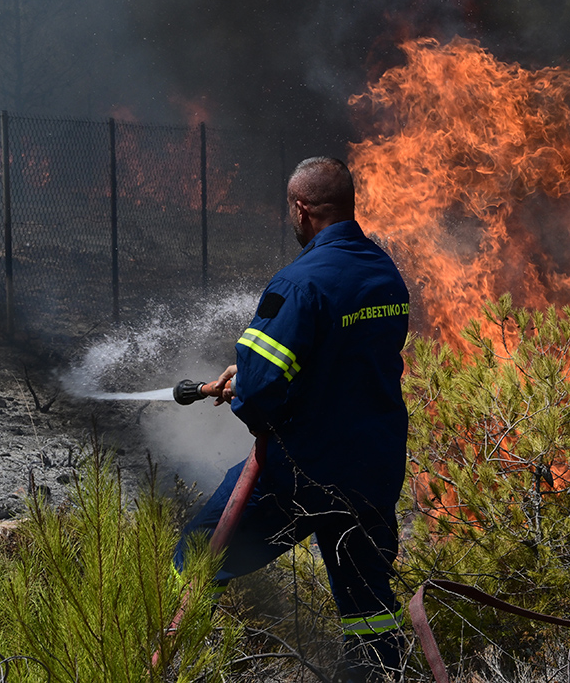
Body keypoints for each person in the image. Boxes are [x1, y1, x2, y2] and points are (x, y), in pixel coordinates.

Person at [174, 156, 411, 683]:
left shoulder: (299, 283)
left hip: (301, 476)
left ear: (302, 209)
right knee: (369, 607)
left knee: (196, 554)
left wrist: (248, 384)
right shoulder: (385, 273)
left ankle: (179, 662)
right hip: (372, 471)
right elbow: (348, 362)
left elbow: (258, 392)